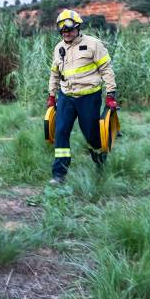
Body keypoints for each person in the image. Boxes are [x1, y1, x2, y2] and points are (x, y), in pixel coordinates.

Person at [47, 9, 117, 184]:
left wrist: (110, 93)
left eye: (69, 30)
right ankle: (59, 174)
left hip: (89, 97)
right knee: (61, 132)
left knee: (92, 135)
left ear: (78, 27)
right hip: (66, 97)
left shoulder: (94, 44)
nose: (67, 33)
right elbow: (54, 74)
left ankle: (100, 163)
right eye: (63, 31)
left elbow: (106, 69)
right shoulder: (58, 48)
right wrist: (51, 95)